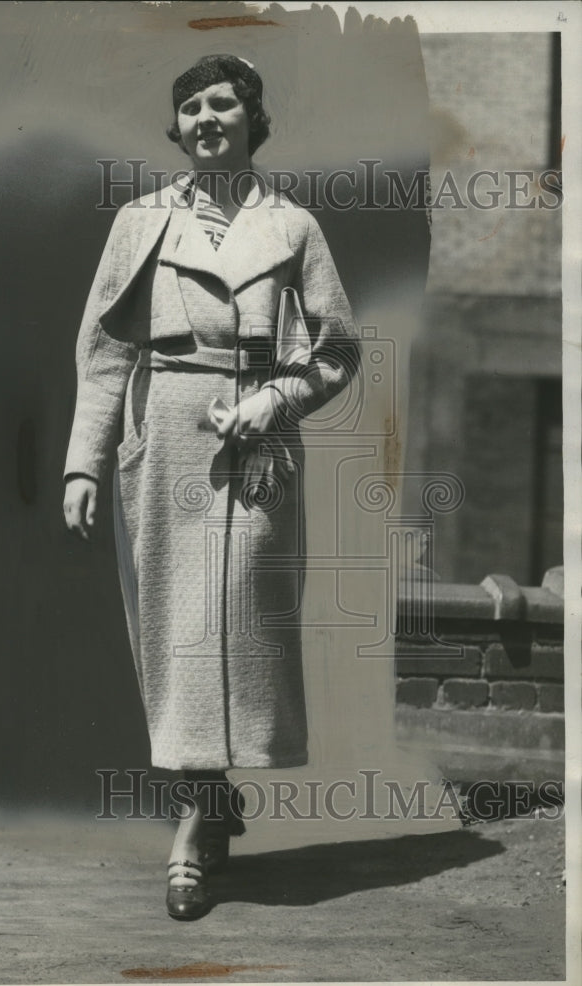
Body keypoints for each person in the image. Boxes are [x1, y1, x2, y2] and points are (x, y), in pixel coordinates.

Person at [63, 53, 361, 920]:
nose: (205, 118)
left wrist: (275, 398)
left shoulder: (293, 225)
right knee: (178, 628)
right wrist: (84, 460)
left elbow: (340, 349)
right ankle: (203, 811)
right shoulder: (142, 221)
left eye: (222, 103)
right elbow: (104, 355)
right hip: (165, 434)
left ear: (251, 119)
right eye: (190, 106)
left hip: (258, 441)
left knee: (237, 620)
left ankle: (198, 820)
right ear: (178, 127)